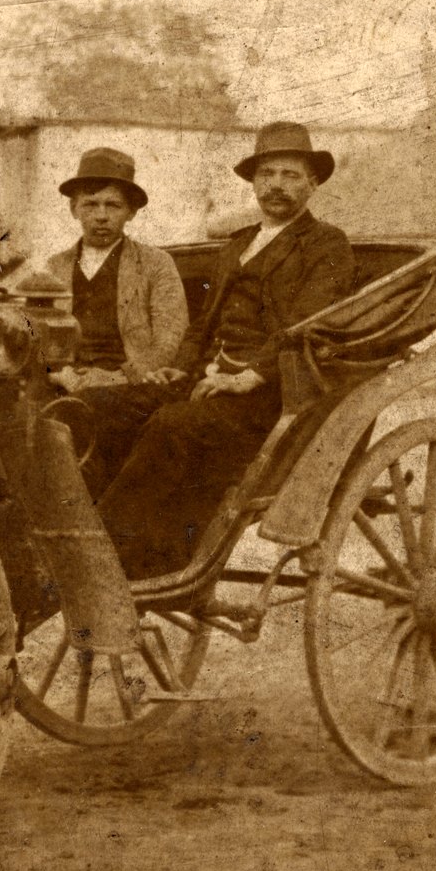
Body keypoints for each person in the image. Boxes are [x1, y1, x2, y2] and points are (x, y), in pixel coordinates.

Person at [95, 122, 358, 580]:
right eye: (267, 174)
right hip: (207, 382)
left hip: (270, 396)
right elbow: (205, 324)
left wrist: (246, 377)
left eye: (290, 175)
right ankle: (92, 538)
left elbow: (308, 327)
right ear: (253, 182)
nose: (276, 185)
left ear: (313, 184)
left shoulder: (325, 244)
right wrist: (179, 369)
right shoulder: (237, 244)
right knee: (100, 409)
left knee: (171, 426)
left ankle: (112, 555)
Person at [28, 147, 189, 494]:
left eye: (113, 206)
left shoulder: (156, 264)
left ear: (131, 212)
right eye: (90, 204)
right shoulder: (53, 268)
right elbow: (35, 336)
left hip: (132, 386)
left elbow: (169, 339)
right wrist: (60, 374)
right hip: (67, 380)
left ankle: (90, 508)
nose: (101, 216)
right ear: (74, 209)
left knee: (81, 421)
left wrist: (116, 377)